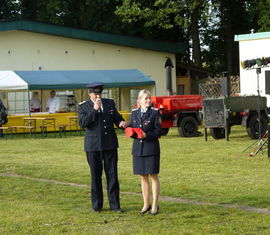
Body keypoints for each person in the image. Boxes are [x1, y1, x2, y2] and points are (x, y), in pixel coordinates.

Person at [78, 82, 127, 213]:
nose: (98, 96)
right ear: (89, 93)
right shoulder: (83, 106)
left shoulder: (110, 103)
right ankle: (97, 205)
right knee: (96, 176)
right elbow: (82, 123)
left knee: (112, 175)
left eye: (99, 93)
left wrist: (121, 123)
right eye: (95, 93)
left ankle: (115, 205)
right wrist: (94, 109)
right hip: (93, 146)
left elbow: (117, 118)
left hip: (109, 144)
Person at [128, 89, 162, 216]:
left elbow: (159, 131)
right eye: (145, 98)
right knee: (143, 177)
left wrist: (146, 135)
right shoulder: (135, 113)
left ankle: (154, 205)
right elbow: (131, 127)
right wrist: (129, 131)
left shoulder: (155, 113)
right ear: (139, 101)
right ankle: (146, 204)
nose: (148, 101)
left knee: (153, 176)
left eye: (149, 98)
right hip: (138, 150)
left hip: (151, 149)